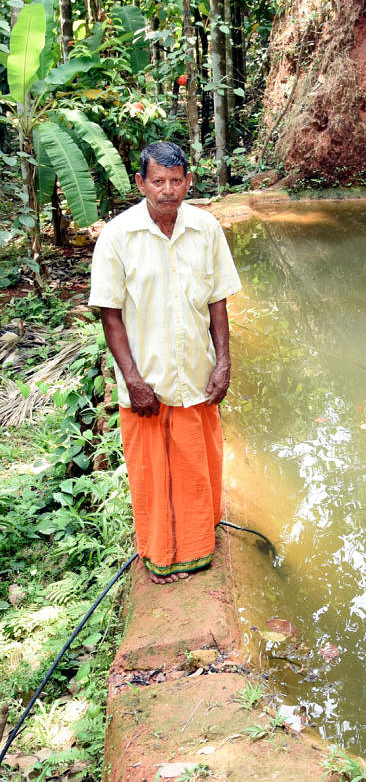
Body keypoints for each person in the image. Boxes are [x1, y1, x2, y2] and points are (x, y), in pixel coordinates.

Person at [89, 142, 242, 584]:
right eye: (158, 181)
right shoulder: (119, 236)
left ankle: (199, 544)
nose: (168, 191)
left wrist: (223, 363)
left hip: (196, 373)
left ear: (188, 182)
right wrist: (132, 379)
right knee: (154, 477)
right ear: (141, 183)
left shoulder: (206, 228)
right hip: (148, 382)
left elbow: (218, 302)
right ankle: (161, 558)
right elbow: (110, 315)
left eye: (176, 181)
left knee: (199, 468)